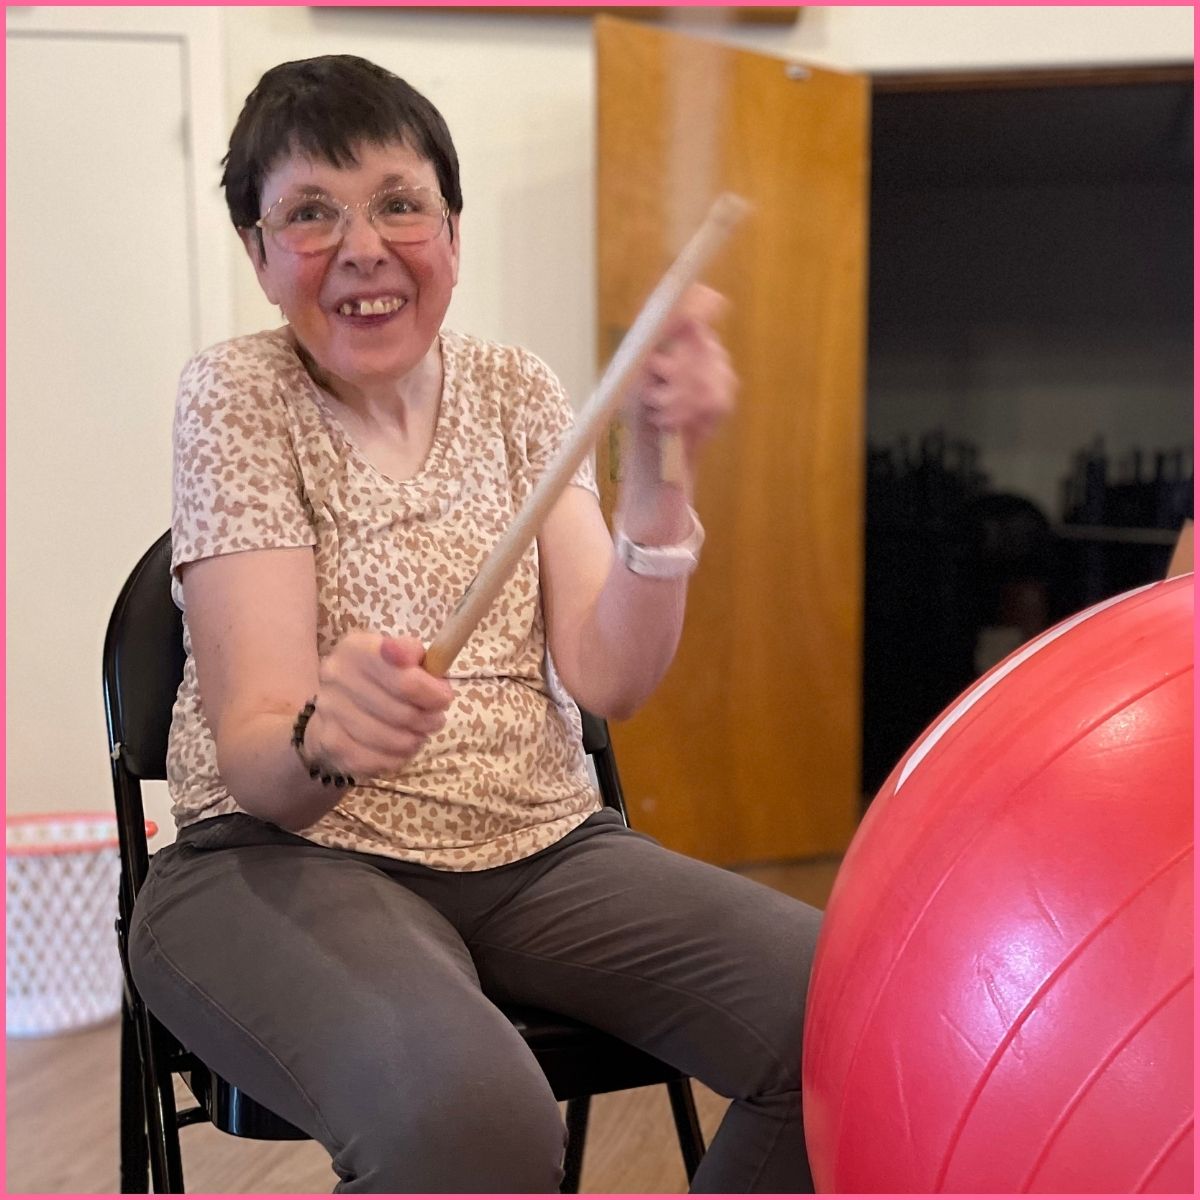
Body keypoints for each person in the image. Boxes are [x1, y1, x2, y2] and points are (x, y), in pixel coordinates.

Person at [129, 54, 822, 1193]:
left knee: (849, 1018)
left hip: (542, 850)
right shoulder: (237, 396)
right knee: (469, 1122)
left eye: (400, 203)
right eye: (310, 213)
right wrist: (325, 738)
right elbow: (260, 751)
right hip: (281, 856)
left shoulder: (518, 390)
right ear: (259, 257)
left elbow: (612, 680)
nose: (362, 246)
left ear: (451, 229)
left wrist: (659, 475)